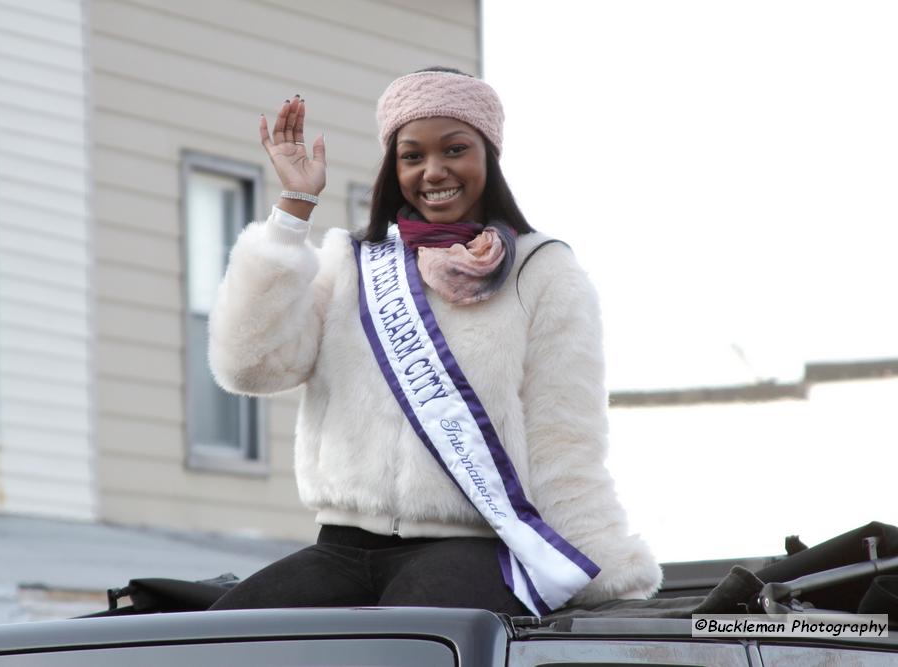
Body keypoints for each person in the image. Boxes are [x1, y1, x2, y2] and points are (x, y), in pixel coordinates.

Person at [207, 67, 661, 614]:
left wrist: (603, 573)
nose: (433, 171)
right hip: (342, 545)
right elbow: (250, 367)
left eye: (454, 149)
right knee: (220, 637)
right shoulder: (353, 261)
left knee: (416, 646)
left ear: (487, 156)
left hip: (471, 549)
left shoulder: (544, 272)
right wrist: (294, 209)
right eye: (412, 155)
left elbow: (564, 441)